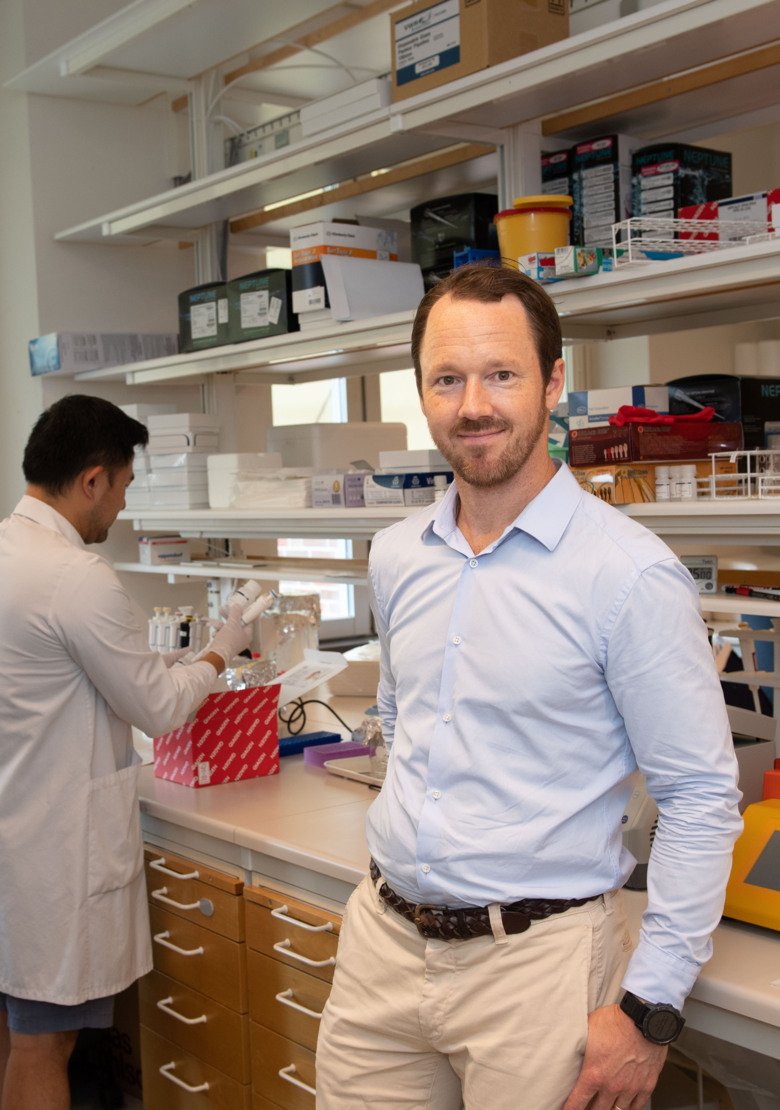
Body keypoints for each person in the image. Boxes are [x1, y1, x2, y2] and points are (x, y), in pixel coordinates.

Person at [316, 264, 743, 1110]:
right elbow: (402, 715)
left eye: (501, 374)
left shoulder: (627, 576)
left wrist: (649, 1009)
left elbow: (699, 798)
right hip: (381, 946)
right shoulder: (398, 554)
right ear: (423, 392)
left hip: (536, 969)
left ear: (553, 382)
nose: (474, 404)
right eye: (447, 379)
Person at [0, 394, 253, 1110]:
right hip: (50, 851)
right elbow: (158, 707)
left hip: (16, 830)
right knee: (42, 1044)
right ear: (91, 480)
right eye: (122, 487)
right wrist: (218, 651)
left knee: (14, 1030)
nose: (119, 507)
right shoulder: (75, 577)